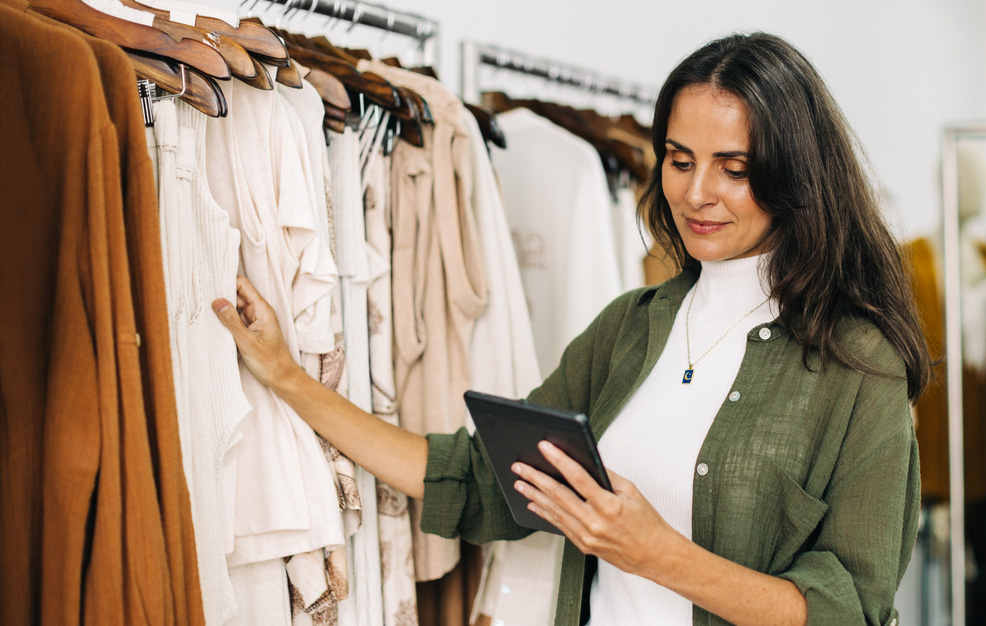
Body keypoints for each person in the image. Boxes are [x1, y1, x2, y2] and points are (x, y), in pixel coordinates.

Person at [213, 32, 928, 626]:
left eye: (733, 169)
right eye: (679, 161)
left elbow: (852, 610)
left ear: (795, 177)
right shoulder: (631, 329)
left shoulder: (857, 361)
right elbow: (477, 481)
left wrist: (656, 553)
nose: (695, 192)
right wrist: (288, 379)